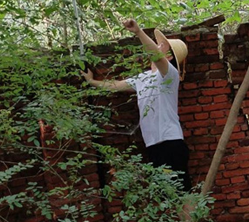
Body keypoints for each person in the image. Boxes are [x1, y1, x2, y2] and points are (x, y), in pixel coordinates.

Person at [82, 18, 192, 191]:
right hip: (154, 145)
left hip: (171, 142)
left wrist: (139, 32)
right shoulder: (143, 78)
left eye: (161, 46)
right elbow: (114, 86)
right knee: (171, 197)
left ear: (168, 56)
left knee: (183, 193)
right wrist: (91, 81)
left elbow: (154, 55)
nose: (157, 46)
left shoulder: (170, 75)